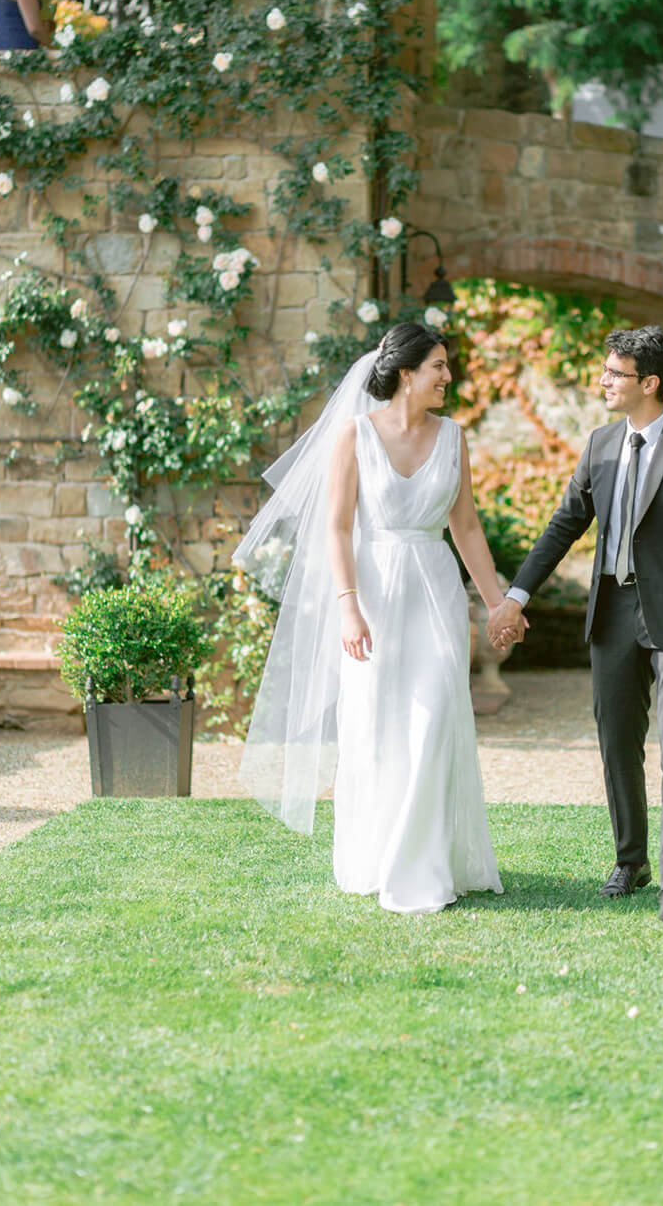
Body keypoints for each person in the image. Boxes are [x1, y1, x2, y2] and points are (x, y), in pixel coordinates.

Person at [233, 324, 506, 915]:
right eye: (438, 366)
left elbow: (466, 528)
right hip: (372, 595)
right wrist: (347, 607)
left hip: (434, 591)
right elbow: (335, 527)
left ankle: (424, 868)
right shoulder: (354, 435)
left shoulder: (453, 437)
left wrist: (496, 602)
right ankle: (378, 856)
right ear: (406, 373)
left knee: (433, 720)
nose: (448, 377)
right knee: (376, 727)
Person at [488, 325, 663, 924]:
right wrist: (516, 595)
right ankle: (631, 860)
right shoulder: (600, 445)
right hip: (613, 614)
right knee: (616, 741)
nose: (602, 380)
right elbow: (563, 525)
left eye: (614, 373)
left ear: (649, 383)